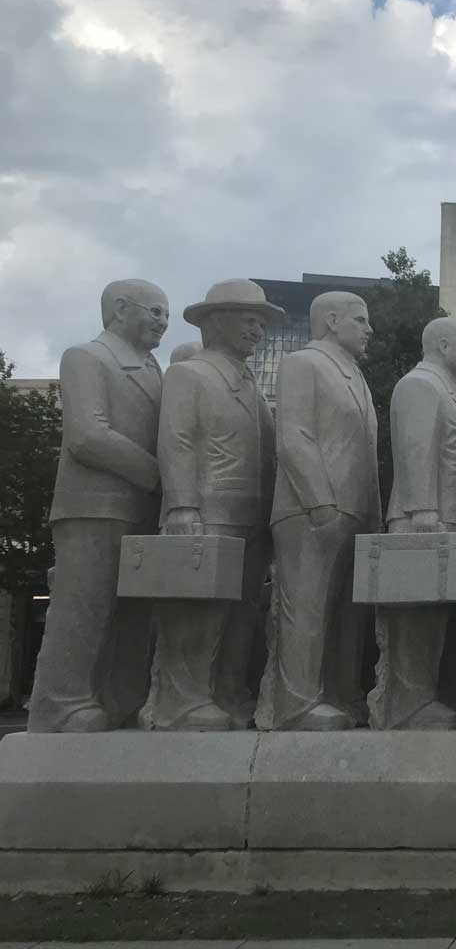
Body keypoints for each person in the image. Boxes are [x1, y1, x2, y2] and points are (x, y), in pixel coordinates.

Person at [27, 280, 170, 732]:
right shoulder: (86, 357)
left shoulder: (153, 369)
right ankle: (60, 702)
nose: (163, 322)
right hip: (93, 505)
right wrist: (157, 473)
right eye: (155, 311)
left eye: (165, 314)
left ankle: (120, 700)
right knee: (82, 605)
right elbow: (89, 436)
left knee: (134, 612)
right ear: (120, 308)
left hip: (143, 509)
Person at [143, 279, 282, 730]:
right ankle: (181, 701)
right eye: (249, 320)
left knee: (241, 613)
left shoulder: (250, 383)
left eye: (261, 322)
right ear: (217, 320)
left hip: (250, 516)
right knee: (195, 611)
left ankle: (225, 691)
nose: (258, 330)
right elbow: (177, 441)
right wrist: (183, 507)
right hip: (205, 512)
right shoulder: (190, 374)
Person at [256, 291, 379, 731]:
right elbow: (294, 437)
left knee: (346, 613)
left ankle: (341, 693)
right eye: (361, 320)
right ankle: (296, 704)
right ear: (331, 320)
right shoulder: (303, 364)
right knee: (304, 607)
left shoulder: (354, 375)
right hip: (311, 510)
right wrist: (320, 502)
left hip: (353, 511)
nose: (369, 330)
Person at [370, 317, 456, 730]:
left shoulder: (453, 391)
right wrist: (422, 512)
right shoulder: (420, 385)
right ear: (440, 345)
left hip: (453, 519)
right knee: (418, 616)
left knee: (443, 617)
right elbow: (416, 450)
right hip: (427, 520)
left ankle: (436, 695)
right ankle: (407, 704)